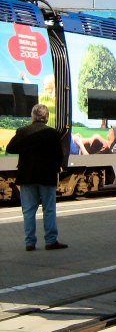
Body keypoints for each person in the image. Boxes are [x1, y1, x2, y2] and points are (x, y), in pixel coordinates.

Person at [7, 104, 68, 251]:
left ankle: (29, 243)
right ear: (46, 117)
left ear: (33, 116)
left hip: (27, 176)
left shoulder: (23, 131)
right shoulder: (53, 133)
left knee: (28, 210)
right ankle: (51, 241)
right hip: (47, 176)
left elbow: (10, 148)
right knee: (49, 209)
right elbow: (60, 155)